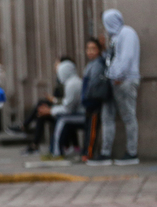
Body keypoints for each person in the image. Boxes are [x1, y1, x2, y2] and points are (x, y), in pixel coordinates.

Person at [88, 9, 141, 166]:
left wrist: (118, 75)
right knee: (107, 117)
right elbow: (113, 59)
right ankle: (105, 153)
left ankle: (132, 153)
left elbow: (127, 57)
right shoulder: (116, 36)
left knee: (128, 116)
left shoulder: (127, 33)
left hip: (124, 81)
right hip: (113, 83)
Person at [39, 59, 84, 158]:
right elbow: (66, 103)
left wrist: (50, 111)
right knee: (60, 117)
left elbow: (68, 108)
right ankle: (56, 150)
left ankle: (56, 152)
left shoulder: (72, 84)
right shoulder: (72, 82)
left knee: (62, 120)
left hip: (82, 115)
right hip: (79, 113)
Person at [81, 37, 106, 161]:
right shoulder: (90, 64)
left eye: (93, 49)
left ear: (99, 50)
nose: (90, 51)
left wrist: (89, 96)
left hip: (93, 101)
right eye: (88, 49)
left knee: (92, 129)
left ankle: (88, 153)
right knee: (88, 128)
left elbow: (94, 84)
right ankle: (85, 151)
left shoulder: (98, 64)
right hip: (88, 101)